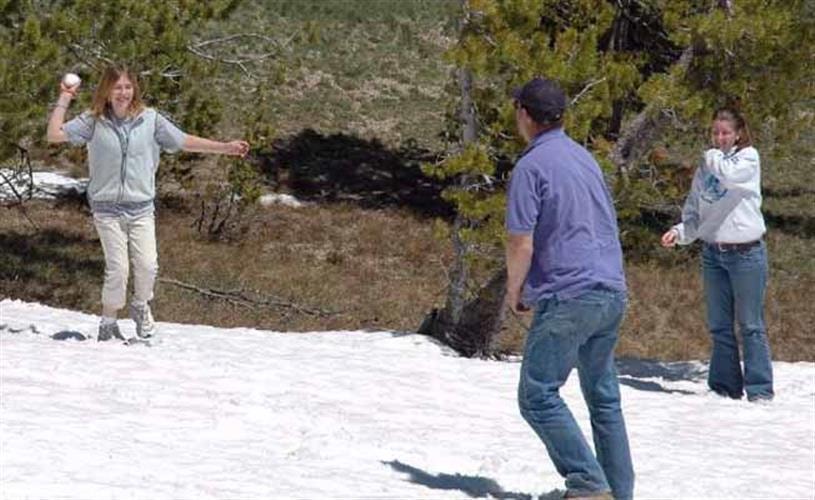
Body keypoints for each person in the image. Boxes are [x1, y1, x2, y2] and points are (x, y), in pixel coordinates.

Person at [46, 64, 249, 342]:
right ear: (106, 90)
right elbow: (54, 135)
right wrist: (65, 97)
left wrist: (224, 147)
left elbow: (183, 141)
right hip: (106, 209)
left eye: (128, 87)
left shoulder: (150, 120)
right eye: (117, 87)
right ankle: (108, 321)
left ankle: (141, 306)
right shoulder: (93, 120)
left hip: (141, 209)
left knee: (148, 265)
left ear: (135, 89)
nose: (123, 93)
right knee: (118, 268)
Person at [505, 77, 634, 500]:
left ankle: (588, 484)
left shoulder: (531, 166)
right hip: (610, 289)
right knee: (603, 397)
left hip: (569, 294)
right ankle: (618, 493)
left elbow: (521, 242)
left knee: (537, 395)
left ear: (525, 114)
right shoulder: (584, 158)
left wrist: (515, 290)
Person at [661, 107, 773, 402]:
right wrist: (679, 232)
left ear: (737, 134)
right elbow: (695, 211)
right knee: (719, 325)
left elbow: (731, 176)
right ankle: (724, 387)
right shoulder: (707, 167)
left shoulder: (748, 158)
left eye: (725, 133)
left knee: (750, 325)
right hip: (714, 254)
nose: (720, 138)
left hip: (746, 254)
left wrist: (711, 157)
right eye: (715, 133)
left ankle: (759, 389)